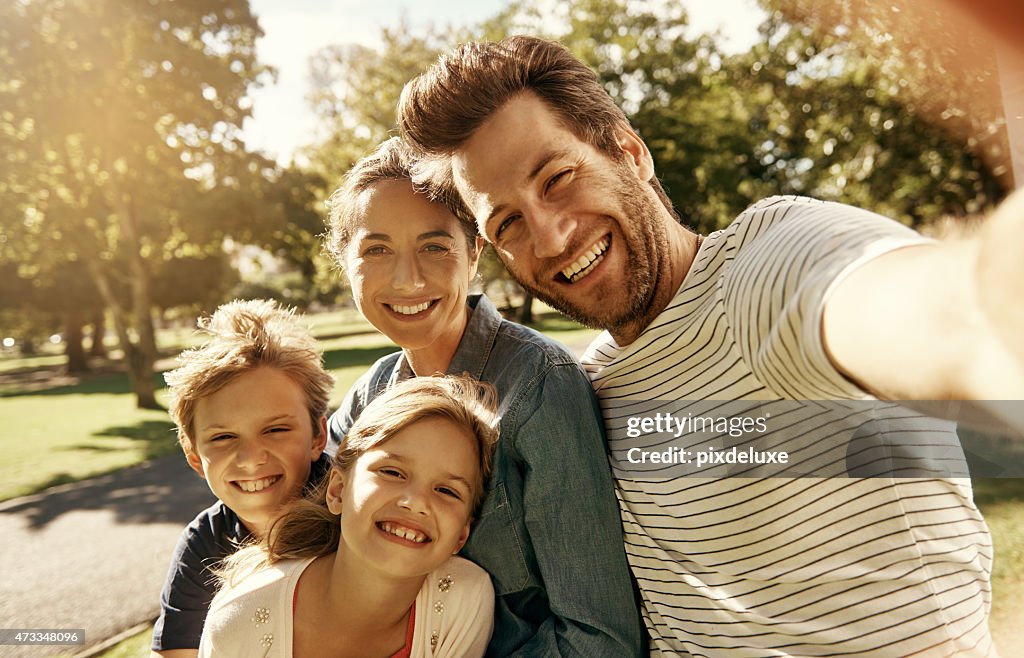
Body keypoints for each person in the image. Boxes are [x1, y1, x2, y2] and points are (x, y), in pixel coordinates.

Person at [396, 35, 1024, 656]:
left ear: (629, 152)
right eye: (508, 222)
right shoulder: (584, 387)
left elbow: (911, 308)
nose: (552, 235)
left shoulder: (759, 273)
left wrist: (983, 310)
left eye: (558, 178)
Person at [324, 137, 643, 657]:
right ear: (345, 261)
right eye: (376, 249)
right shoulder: (370, 398)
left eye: (434, 247)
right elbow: (302, 528)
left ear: (474, 253)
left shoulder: (540, 387)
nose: (407, 278)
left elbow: (600, 641)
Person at [198, 375, 498, 658]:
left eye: (447, 491)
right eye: (392, 472)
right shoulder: (240, 619)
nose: (415, 502)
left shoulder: (462, 598)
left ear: (462, 533)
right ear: (338, 490)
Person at [151, 299, 334, 658]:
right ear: (195, 458)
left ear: (318, 436)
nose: (251, 458)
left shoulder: (359, 512)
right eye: (223, 437)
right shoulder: (204, 544)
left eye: (276, 429)